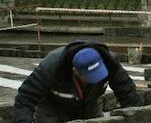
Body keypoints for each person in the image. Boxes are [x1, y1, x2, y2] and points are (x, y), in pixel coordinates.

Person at [13, 40, 142, 123]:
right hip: (52, 108)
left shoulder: (110, 63)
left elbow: (127, 92)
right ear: (76, 71)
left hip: (89, 106)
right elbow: (25, 97)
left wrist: (138, 117)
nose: (95, 80)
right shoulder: (52, 66)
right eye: (90, 76)